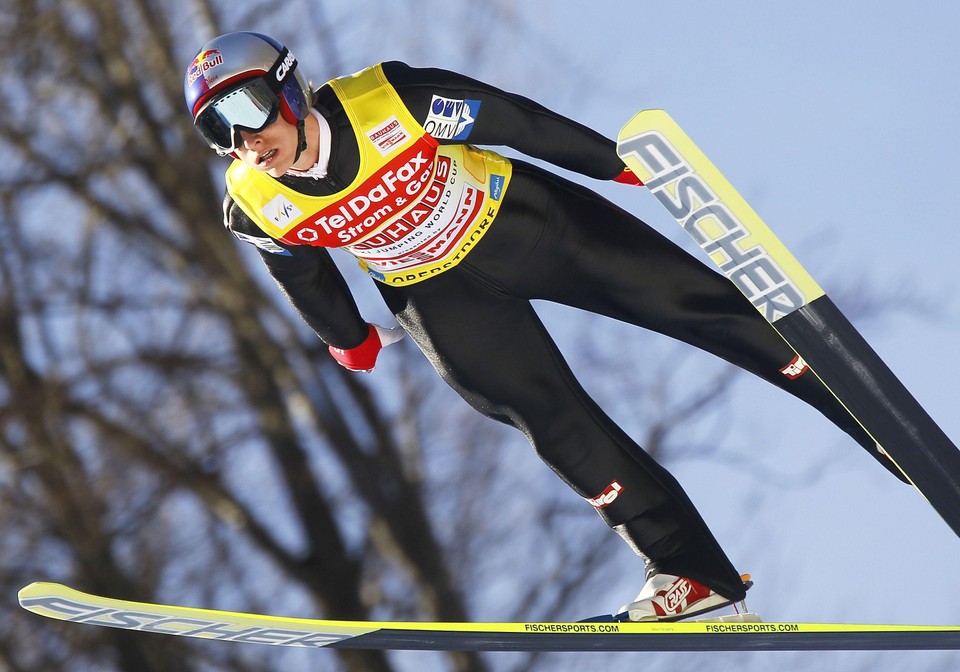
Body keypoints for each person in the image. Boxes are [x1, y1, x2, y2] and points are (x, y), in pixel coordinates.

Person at [184, 31, 906, 621]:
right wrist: (348, 337)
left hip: (520, 225)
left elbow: (512, 120)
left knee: (691, 304)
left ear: (287, 88)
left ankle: (876, 423)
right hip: (439, 298)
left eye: (247, 108)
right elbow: (301, 273)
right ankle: (693, 575)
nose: (245, 140)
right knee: (554, 428)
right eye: (219, 129)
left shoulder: (395, 103)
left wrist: (610, 163)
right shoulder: (253, 204)